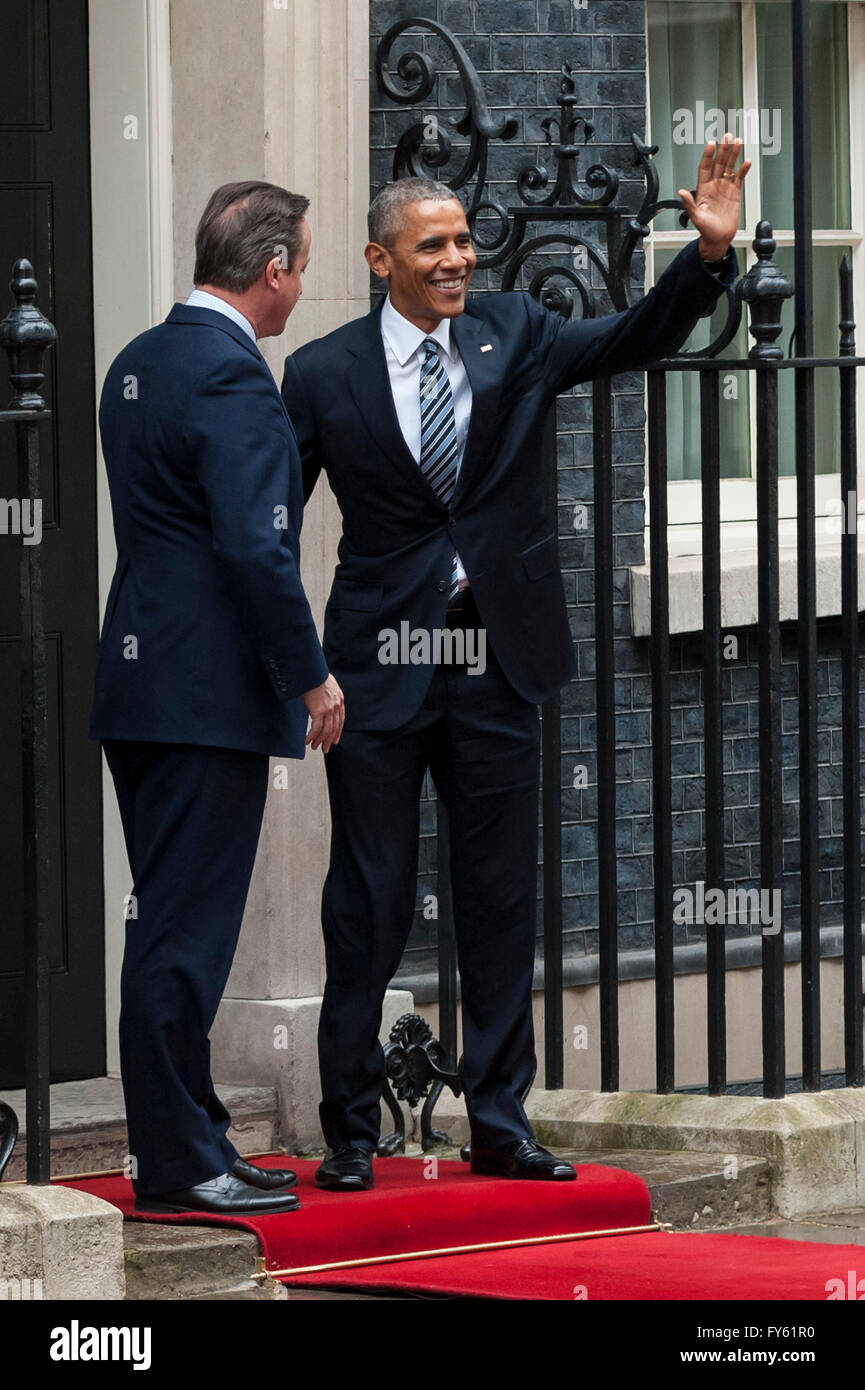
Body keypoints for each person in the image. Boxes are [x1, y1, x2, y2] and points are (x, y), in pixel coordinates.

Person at [282, 137, 749, 1191]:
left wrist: (703, 257)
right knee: (370, 898)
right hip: (382, 661)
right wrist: (295, 659)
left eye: (462, 242)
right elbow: (273, 519)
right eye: (431, 245)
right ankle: (352, 1132)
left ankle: (499, 1119)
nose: (456, 260)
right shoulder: (320, 375)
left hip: (498, 655)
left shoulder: (515, 332)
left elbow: (631, 340)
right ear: (378, 259)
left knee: (498, 896)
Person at [90, 181, 344, 1215]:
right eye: (303, 263)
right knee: (183, 934)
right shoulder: (236, 380)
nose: (303, 284)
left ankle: (192, 1136)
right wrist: (312, 674)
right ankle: (176, 1161)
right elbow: (254, 547)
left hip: (142, 683)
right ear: (273, 267)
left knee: (169, 918)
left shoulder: (139, 361)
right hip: (203, 697)